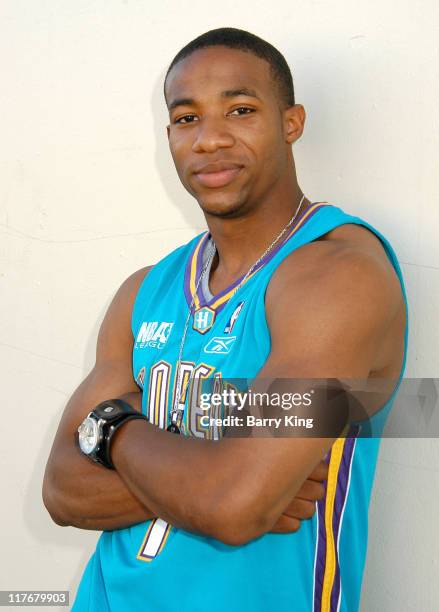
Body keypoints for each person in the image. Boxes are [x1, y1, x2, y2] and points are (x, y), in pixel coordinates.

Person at [42, 27, 408, 612]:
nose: (210, 139)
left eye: (240, 110)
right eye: (187, 119)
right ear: (169, 135)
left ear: (291, 123)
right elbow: (62, 490)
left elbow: (236, 505)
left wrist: (110, 429)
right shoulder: (144, 290)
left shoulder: (336, 277)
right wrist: (212, 479)